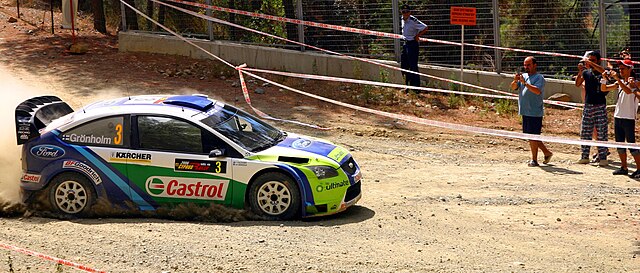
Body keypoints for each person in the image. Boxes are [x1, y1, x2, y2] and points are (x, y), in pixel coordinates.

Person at [601, 59, 640, 177]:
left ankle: (639, 168)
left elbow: (628, 91)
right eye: (620, 69)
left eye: (623, 69)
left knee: (631, 145)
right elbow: (604, 89)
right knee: (619, 144)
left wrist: (618, 79)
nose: (620, 71)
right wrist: (603, 78)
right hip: (618, 116)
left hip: (628, 117)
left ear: (630, 69)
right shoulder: (620, 82)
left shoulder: (635, 83)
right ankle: (624, 167)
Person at [511, 56, 552, 167]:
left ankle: (534, 159)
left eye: (528, 65)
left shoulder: (539, 78)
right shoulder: (523, 76)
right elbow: (514, 87)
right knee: (531, 136)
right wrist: (515, 81)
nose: (526, 67)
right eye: (525, 65)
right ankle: (547, 153)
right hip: (525, 111)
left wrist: (525, 83)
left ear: (535, 65)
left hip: (534, 111)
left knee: (533, 136)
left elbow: (537, 91)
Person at [575, 50, 609, 166]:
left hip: (600, 105)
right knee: (585, 131)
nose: (589, 62)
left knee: (601, 132)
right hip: (588, 105)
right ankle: (584, 156)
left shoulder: (602, 73)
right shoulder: (587, 73)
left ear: (598, 61)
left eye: (593, 60)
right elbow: (578, 83)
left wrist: (591, 64)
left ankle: (603, 157)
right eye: (589, 60)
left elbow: (604, 72)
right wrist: (580, 71)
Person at [400, 4, 428, 91]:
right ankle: (408, 86)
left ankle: (416, 89)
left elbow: (425, 27)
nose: (405, 13)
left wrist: (418, 35)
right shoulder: (402, 19)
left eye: (407, 12)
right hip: (405, 44)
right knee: (404, 66)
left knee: (413, 66)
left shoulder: (413, 20)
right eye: (403, 12)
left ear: (410, 12)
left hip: (412, 44)